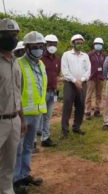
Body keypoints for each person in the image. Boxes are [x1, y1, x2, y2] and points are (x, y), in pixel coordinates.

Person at [14, 31, 47, 190]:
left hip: (37, 113)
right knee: (18, 149)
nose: (38, 49)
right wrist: (19, 118)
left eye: (41, 46)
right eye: (35, 47)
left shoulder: (41, 64)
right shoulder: (18, 64)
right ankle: (15, 180)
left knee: (28, 147)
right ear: (27, 48)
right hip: (22, 115)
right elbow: (15, 93)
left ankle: (25, 175)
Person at [0, 19, 26, 194]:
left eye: (15, 34)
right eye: (8, 34)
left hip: (14, 119)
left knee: (9, 162)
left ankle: (7, 190)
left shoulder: (15, 62)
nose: (12, 38)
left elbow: (18, 93)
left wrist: (22, 119)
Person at [61, 34, 91, 138]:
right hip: (70, 84)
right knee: (67, 106)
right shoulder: (66, 55)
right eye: (77, 43)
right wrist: (74, 81)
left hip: (82, 84)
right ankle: (64, 130)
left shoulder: (85, 56)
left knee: (81, 106)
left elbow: (88, 70)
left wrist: (81, 80)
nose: (79, 45)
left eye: (81, 43)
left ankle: (76, 127)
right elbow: (65, 71)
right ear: (73, 43)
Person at [39, 34, 61, 147]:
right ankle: (32, 141)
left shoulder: (57, 59)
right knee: (37, 117)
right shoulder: (40, 58)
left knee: (47, 116)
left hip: (53, 91)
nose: (52, 46)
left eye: (54, 44)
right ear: (45, 44)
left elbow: (57, 74)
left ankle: (45, 138)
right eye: (50, 44)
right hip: (42, 92)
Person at [85, 37, 106, 119]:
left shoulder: (104, 55)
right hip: (91, 77)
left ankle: (97, 110)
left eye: (100, 44)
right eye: (97, 44)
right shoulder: (89, 55)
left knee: (99, 95)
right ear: (94, 45)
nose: (98, 46)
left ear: (102, 46)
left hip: (100, 77)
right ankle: (87, 111)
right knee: (89, 95)